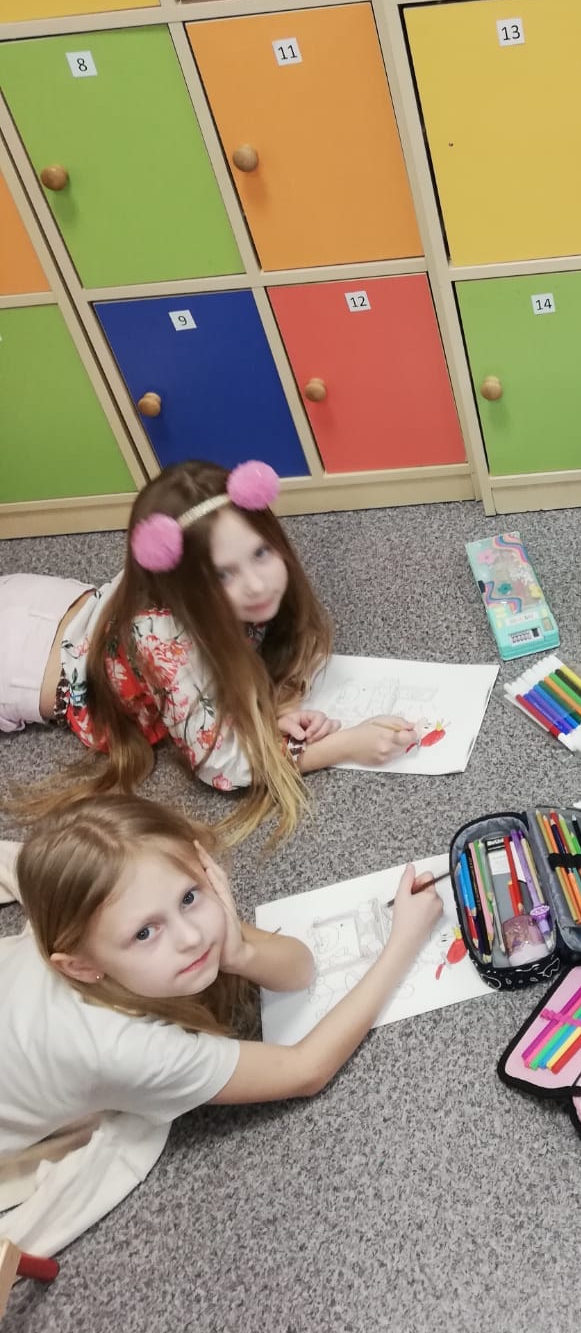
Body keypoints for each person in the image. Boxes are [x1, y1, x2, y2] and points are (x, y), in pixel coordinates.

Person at [0, 794, 442, 1255]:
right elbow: (306, 1069)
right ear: (81, 966)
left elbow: (301, 969)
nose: (192, 938)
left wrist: (241, 953)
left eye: (189, 896)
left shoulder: (107, 926)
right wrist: (403, 943)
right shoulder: (129, 1048)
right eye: (144, 933)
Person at [1, 459, 416, 845]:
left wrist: (274, 707)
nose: (257, 585)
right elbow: (222, 764)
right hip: (19, 669)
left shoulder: (200, 578)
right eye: (222, 575)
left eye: (261, 553)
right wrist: (343, 746)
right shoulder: (164, 639)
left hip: (55, 602)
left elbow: (275, 643)